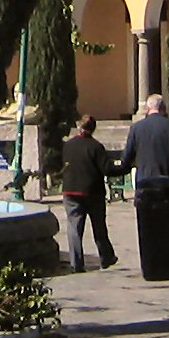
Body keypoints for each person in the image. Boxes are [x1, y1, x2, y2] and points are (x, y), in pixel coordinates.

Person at [117, 93, 169, 318]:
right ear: (164, 107)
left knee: (149, 230)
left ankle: (152, 267)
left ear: (147, 108)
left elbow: (127, 157)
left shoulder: (137, 129)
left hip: (146, 186)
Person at [59, 115, 117, 272]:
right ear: (94, 128)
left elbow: (61, 165)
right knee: (99, 226)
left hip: (71, 190)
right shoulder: (96, 147)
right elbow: (107, 169)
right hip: (93, 192)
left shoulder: (68, 145)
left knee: (74, 227)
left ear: (79, 126)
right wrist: (123, 166)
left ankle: (76, 263)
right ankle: (106, 257)